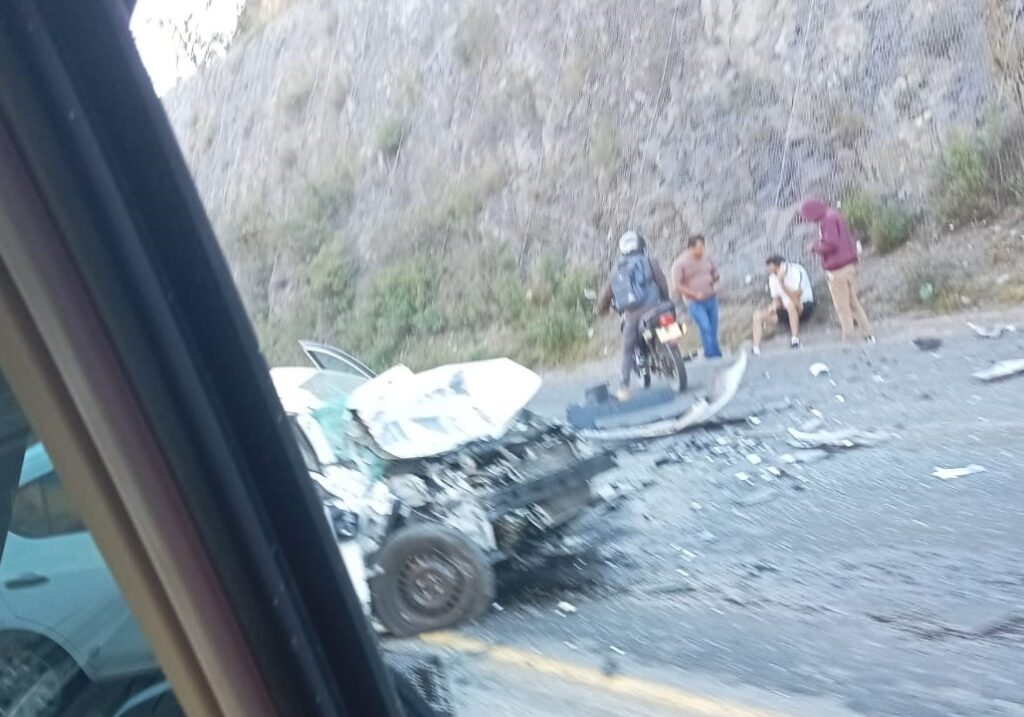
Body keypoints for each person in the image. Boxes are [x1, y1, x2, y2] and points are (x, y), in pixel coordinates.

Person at [596, 230, 670, 401]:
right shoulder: (651, 261)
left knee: (627, 349)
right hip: (657, 307)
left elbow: (605, 296)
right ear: (641, 245)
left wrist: (600, 310)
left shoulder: (617, 271)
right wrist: (665, 299)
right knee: (669, 321)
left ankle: (623, 388)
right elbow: (662, 283)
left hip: (633, 315)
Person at [800, 198, 875, 343]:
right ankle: (868, 334)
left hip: (837, 269)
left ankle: (849, 338)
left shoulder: (826, 220)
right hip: (848, 266)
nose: (808, 219)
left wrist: (814, 247)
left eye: (807, 215)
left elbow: (831, 243)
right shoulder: (833, 215)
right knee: (854, 302)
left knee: (842, 306)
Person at [671, 235, 722, 359]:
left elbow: (714, 272)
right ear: (691, 248)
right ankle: (711, 355)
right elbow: (677, 285)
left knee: (713, 326)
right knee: (705, 326)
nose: (702, 250)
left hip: (711, 297)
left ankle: (716, 353)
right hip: (695, 302)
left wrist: (715, 280)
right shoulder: (680, 264)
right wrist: (694, 294)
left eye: (703, 246)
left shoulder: (707, 258)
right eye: (699, 247)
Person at [751, 255, 815, 355]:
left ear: (780, 266)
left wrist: (781, 283)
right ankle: (756, 347)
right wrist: (772, 307)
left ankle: (795, 339)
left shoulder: (796, 271)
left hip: (803, 305)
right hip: (786, 309)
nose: (772, 272)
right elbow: (777, 300)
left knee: (791, 304)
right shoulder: (772, 277)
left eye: (774, 269)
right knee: (758, 315)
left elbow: (796, 296)